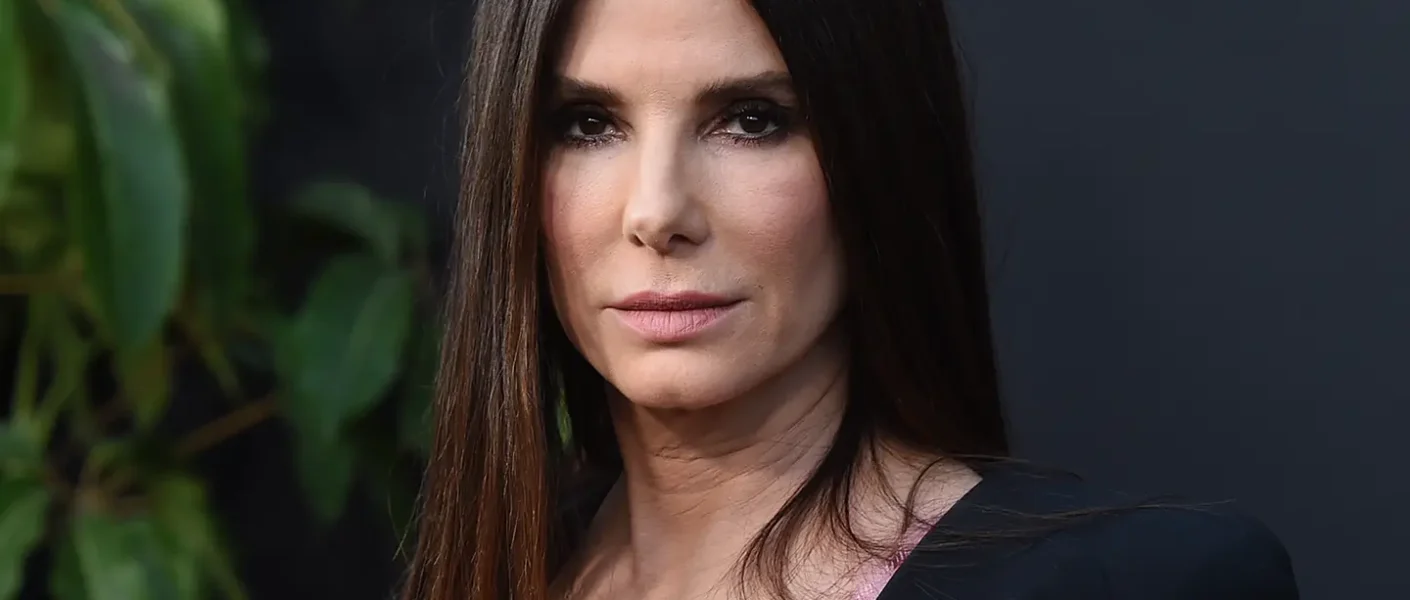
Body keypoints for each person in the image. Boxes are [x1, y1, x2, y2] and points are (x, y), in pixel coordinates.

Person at [399, 0, 1301, 598]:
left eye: (752, 119)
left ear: (879, 150)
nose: (657, 212)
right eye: (588, 124)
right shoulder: (499, 571)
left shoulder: (1141, 584)